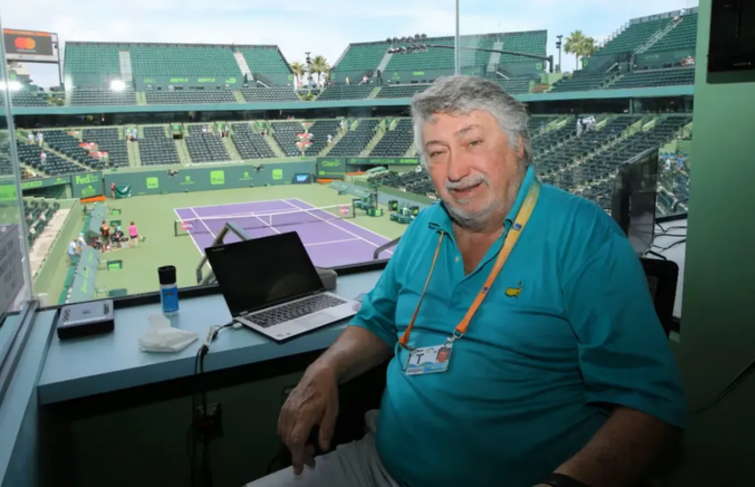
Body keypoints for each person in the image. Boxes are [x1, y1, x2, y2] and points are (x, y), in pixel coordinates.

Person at [252, 75, 686, 487]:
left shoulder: (583, 236)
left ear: (519, 146)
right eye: (438, 153)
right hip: (379, 464)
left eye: (473, 142)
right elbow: (378, 320)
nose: (456, 171)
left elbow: (650, 405)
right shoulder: (424, 228)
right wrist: (324, 368)